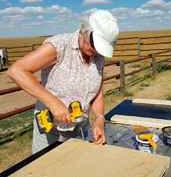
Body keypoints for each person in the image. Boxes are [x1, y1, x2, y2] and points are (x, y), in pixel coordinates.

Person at [6, 9, 119, 154]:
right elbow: (16, 71)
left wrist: (99, 119)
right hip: (51, 131)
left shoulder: (98, 58)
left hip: (82, 128)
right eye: (95, 43)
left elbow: (98, 96)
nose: (96, 50)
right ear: (85, 28)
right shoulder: (59, 46)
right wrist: (52, 102)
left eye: (101, 47)